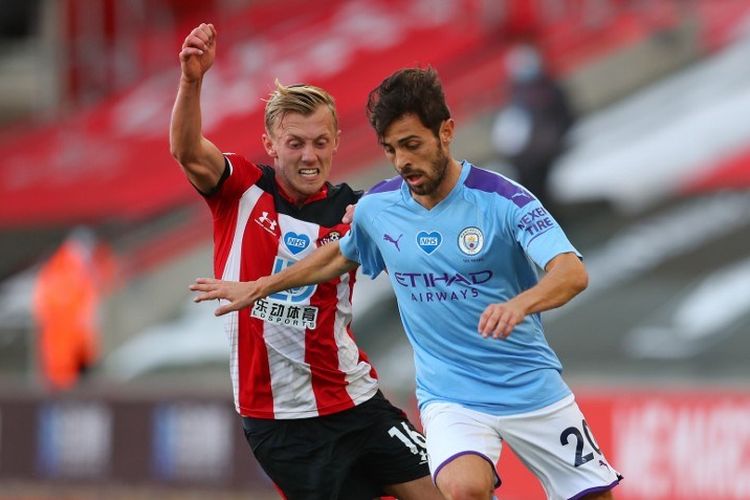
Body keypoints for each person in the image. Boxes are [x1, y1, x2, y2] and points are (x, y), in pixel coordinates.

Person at [191, 67, 623, 500]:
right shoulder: (378, 207)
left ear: (447, 133)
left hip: (531, 387)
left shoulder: (505, 200)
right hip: (451, 397)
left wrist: (520, 305)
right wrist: (262, 285)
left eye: (412, 145)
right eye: (392, 149)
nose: (402, 162)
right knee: (462, 489)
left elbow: (572, 271)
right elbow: (339, 256)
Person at [170, 23, 441, 500]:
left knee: (454, 492)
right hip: (279, 421)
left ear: (337, 141)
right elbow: (188, 151)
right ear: (271, 144)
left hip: (356, 400)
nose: (309, 155)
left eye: (320, 141)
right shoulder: (241, 190)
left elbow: (428, 228)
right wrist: (192, 81)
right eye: (295, 143)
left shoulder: (359, 210)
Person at [491, 42, 575, 209]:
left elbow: (565, 118)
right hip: (527, 152)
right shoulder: (517, 92)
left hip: (547, 146)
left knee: (536, 178)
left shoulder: (549, 89)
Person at [32, 226, 116, 390]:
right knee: (65, 389)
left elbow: (105, 280)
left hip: (79, 346)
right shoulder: (59, 269)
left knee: (81, 387)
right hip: (63, 351)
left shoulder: (82, 268)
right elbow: (50, 308)